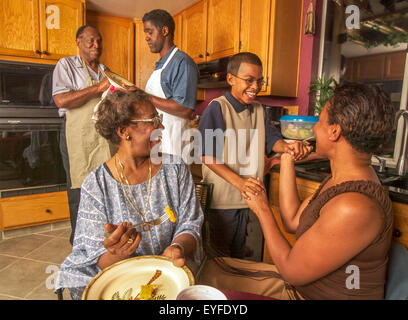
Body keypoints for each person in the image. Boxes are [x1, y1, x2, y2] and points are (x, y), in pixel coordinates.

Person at [199, 83, 396, 300]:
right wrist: (286, 159)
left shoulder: (353, 206)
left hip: (309, 295)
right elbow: (292, 220)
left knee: (207, 283)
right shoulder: (343, 179)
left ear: (334, 131)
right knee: (210, 268)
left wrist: (262, 208)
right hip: (306, 286)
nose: (314, 129)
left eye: (319, 121)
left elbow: (291, 271)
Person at [55, 89, 203, 300]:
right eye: (153, 120)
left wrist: (177, 246)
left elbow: (191, 222)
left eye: (159, 118)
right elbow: (95, 258)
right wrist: (116, 253)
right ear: (125, 131)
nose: (161, 127)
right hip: (122, 276)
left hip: (171, 271)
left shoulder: (175, 168)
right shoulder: (97, 185)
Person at [198, 52, 312, 259]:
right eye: (249, 80)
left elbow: (272, 140)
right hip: (222, 202)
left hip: (250, 199)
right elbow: (206, 156)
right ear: (230, 79)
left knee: (240, 256)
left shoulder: (258, 109)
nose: (255, 86)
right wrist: (241, 183)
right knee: (219, 261)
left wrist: (289, 147)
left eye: (259, 81)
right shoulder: (217, 108)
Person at [52, 25, 113, 245]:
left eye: (99, 41)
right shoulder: (66, 65)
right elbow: (62, 100)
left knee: (105, 185)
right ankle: (80, 241)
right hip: (77, 136)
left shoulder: (106, 70)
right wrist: (97, 89)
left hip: (103, 137)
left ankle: (102, 237)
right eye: (90, 41)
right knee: (80, 186)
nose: (96, 45)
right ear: (78, 41)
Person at [142, 9, 199, 161]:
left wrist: (144, 97)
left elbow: (185, 109)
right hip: (159, 143)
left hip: (174, 146)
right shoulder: (162, 64)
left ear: (164, 31)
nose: (146, 37)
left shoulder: (182, 63)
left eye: (149, 32)